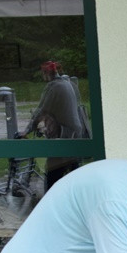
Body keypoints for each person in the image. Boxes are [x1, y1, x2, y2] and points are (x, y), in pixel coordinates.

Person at [21, 60, 86, 190]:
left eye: (43, 73)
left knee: (53, 176)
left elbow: (42, 110)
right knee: (74, 173)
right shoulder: (66, 83)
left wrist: (27, 130)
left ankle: (51, 202)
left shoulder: (54, 87)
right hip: (74, 134)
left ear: (46, 73)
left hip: (63, 137)